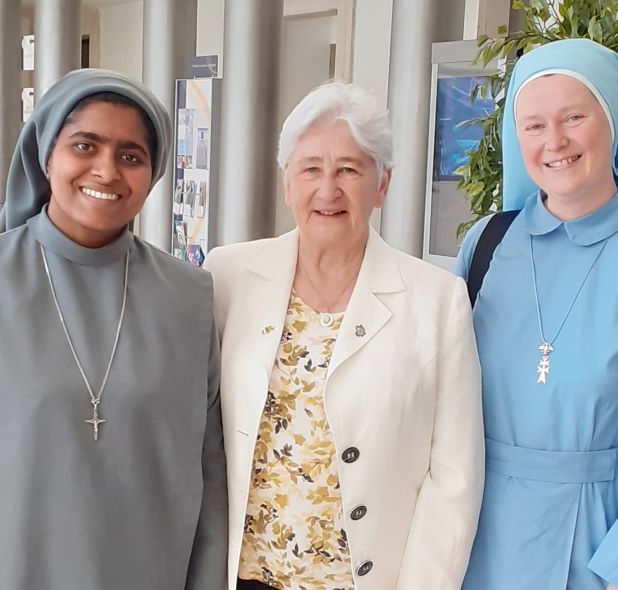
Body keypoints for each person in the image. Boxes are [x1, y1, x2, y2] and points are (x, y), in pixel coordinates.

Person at [0, 69, 226, 590]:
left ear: (152, 174)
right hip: (4, 570)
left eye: (131, 155)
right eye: (85, 145)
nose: (106, 170)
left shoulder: (189, 298)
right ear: (46, 154)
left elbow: (209, 479)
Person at [457, 39, 618, 590]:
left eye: (574, 116)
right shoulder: (485, 246)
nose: (554, 141)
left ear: (614, 120)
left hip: (597, 551)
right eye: (532, 125)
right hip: (470, 542)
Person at [204, 82, 484, 590]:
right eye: (310, 168)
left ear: (382, 185)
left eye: (349, 170)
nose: (328, 189)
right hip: (244, 578)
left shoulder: (437, 300)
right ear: (287, 182)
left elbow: (455, 479)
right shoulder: (228, 276)